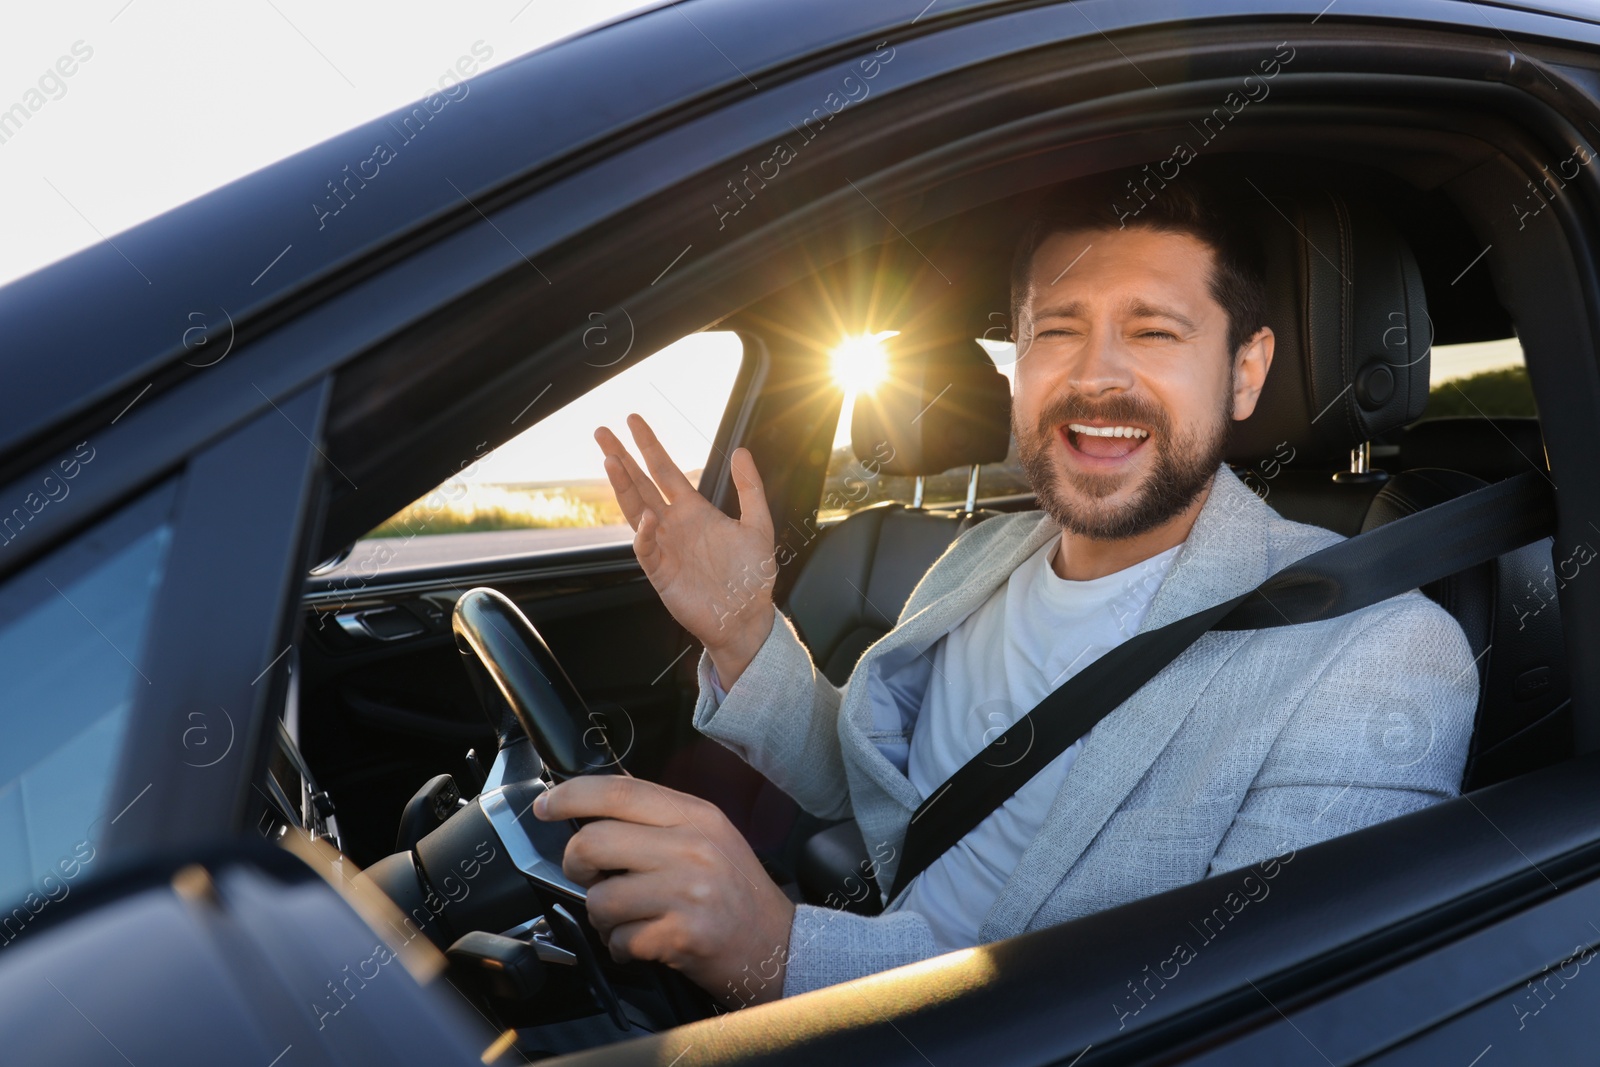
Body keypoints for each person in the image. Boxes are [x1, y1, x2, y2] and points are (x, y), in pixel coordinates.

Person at [532, 173, 1478, 1007]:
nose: (1097, 376)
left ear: (1245, 372)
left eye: (1153, 330)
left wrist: (778, 952)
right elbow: (881, 794)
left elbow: (1224, 1024)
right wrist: (742, 630)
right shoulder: (982, 560)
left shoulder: (1375, 654)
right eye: (1055, 332)